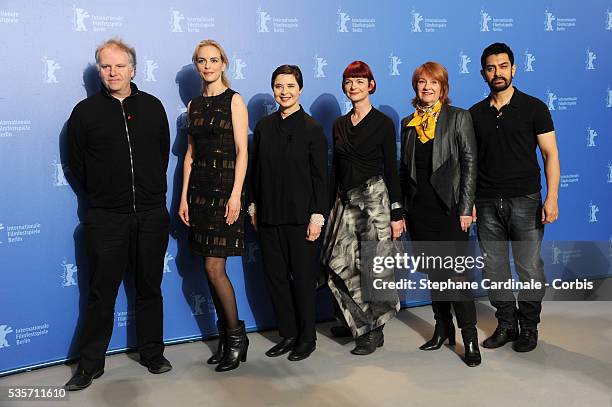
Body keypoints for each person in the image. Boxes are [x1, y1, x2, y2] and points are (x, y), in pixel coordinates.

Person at [66, 38, 171, 390]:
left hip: (151, 214)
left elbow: (160, 156)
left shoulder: (154, 107)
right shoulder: (84, 113)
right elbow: (77, 164)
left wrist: (151, 196)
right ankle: (90, 363)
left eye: (120, 66)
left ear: (133, 69)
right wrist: (101, 197)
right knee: (101, 294)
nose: (113, 72)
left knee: (149, 288)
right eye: (106, 66)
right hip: (106, 218)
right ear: (99, 70)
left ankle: (153, 353)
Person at [470, 42, 560, 352]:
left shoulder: (534, 107)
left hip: (526, 200)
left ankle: (529, 328)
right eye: (491, 68)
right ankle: (507, 324)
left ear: (514, 68)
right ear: (484, 73)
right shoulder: (475, 114)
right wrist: (469, 200)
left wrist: (552, 198)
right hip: (486, 202)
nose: (498, 72)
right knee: (494, 269)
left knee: (529, 268)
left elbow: (550, 154)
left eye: (503, 66)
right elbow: (470, 163)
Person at [399, 61, 480, 366]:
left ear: (443, 88)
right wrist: (405, 209)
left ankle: (470, 339)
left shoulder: (458, 118)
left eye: (433, 83)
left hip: (451, 211)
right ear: (415, 87)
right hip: (421, 212)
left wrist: (465, 207)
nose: (427, 87)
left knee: (457, 278)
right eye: (421, 82)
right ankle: (443, 329)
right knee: (436, 275)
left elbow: (470, 163)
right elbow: (405, 170)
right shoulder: (408, 123)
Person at [322, 61, 403, 355]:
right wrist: (329, 206)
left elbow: (392, 169)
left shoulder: (383, 123)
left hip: (374, 200)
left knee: (373, 267)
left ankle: (374, 331)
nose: (353, 86)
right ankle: (355, 319)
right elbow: (338, 168)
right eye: (348, 81)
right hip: (345, 201)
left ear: (371, 84)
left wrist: (396, 212)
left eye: (359, 80)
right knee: (341, 263)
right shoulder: (338, 124)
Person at [178, 39, 249, 372]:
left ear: (224, 63)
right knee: (208, 269)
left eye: (214, 60)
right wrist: (183, 198)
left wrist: (236, 194)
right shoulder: (193, 105)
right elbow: (190, 155)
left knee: (214, 268)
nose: (207, 66)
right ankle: (226, 339)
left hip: (225, 193)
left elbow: (242, 151)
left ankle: (237, 338)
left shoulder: (234, 101)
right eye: (201, 61)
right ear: (197, 65)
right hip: (200, 194)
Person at [249, 65, 328, 361]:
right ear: (274, 90)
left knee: (304, 281)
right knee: (276, 279)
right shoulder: (265, 126)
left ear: (300, 89)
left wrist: (317, 217)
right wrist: (254, 206)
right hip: (269, 216)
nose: (284, 92)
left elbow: (321, 177)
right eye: (279, 86)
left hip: (301, 220)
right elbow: (256, 172)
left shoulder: (312, 128)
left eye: (290, 86)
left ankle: (307, 338)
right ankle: (288, 334)